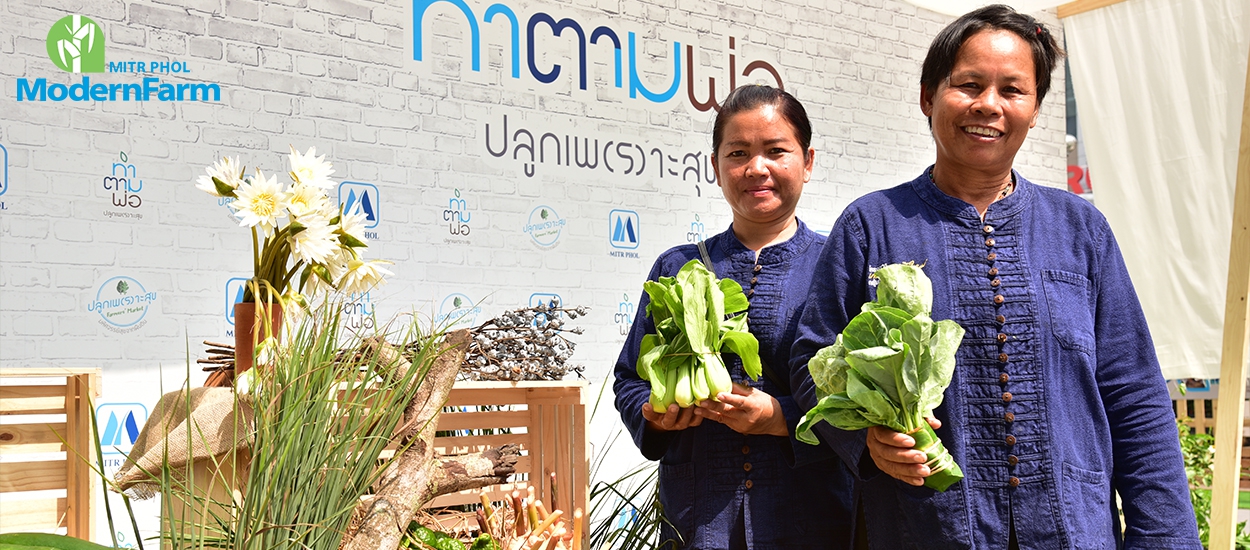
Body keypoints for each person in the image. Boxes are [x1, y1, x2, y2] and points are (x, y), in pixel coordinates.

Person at [788, 5, 1201, 549]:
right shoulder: (871, 226)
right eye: (968, 84)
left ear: (1034, 110)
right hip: (924, 529)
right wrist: (866, 438)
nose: (989, 105)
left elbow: (1135, 396)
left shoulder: (1081, 230)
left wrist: (1165, 539)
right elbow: (811, 361)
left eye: (1013, 90)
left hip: (1073, 529)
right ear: (927, 97)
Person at [613, 85, 855, 550]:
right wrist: (657, 416)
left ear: (807, 161)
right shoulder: (678, 267)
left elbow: (861, 398)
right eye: (738, 153)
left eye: (775, 151)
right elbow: (629, 379)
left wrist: (780, 416)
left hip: (811, 516)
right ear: (716, 166)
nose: (756, 168)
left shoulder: (839, 266)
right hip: (699, 515)